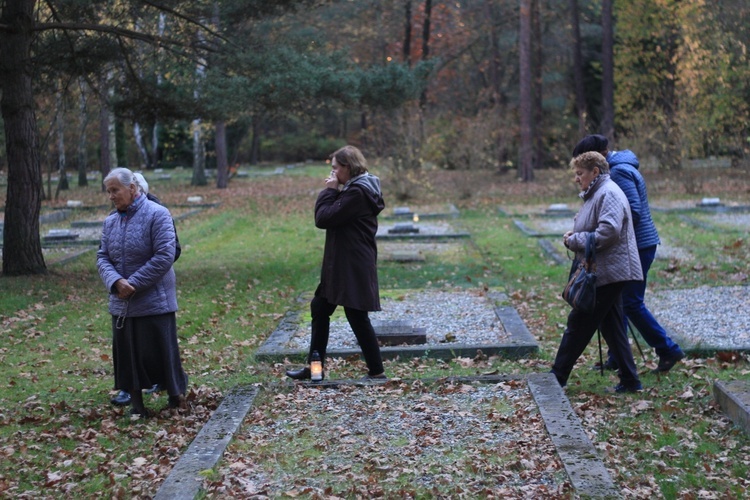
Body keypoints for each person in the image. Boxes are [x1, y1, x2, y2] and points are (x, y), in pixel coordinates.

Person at [572, 135, 685, 373]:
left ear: (598, 157)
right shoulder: (616, 168)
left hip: (639, 245)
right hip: (634, 244)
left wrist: (606, 235)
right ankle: (618, 357)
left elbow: (632, 211)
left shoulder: (619, 172)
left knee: (631, 302)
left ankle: (667, 349)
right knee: (615, 303)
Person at [286, 145, 387, 381]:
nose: (332, 174)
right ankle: (315, 370)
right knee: (320, 308)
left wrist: (329, 191)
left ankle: (377, 371)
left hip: (351, 265)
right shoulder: (355, 189)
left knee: (357, 317)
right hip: (342, 264)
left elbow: (323, 218)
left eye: (335, 169)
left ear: (347, 168)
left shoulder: (357, 193)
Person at [97, 167, 188, 416]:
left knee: (161, 351)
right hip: (122, 302)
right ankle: (137, 406)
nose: (111, 196)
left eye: (115, 190)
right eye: (109, 191)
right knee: (128, 356)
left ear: (132, 189)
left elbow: (165, 255)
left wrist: (133, 283)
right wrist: (116, 282)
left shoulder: (158, 214)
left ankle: (174, 397)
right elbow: (103, 256)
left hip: (154, 299)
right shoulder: (110, 221)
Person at [551, 152, 644, 393]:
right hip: (606, 268)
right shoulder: (599, 192)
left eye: (580, 173)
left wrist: (576, 240)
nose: (576, 178)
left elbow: (608, 232)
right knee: (611, 326)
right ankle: (631, 381)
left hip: (608, 271)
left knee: (579, 321)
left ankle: (557, 376)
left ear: (595, 172)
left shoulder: (608, 192)